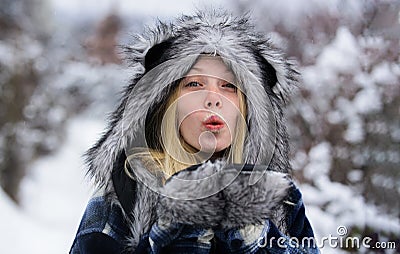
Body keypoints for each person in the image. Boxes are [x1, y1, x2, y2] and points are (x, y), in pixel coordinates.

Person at [70, 9, 320, 254]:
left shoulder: (280, 199)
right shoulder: (123, 195)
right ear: (166, 103)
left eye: (229, 86)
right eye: (194, 83)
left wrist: (254, 237)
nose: (213, 99)